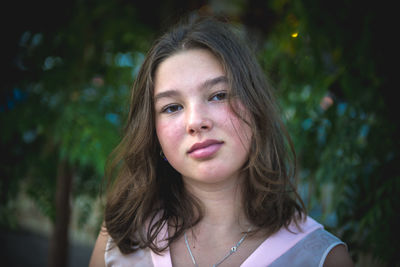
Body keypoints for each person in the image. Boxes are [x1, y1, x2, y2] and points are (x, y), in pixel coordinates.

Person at [89, 14, 353, 267]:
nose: (195, 122)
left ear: (255, 106)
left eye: (218, 95)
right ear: (153, 132)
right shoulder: (121, 238)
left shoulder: (321, 258)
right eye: (171, 107)